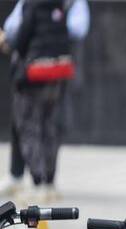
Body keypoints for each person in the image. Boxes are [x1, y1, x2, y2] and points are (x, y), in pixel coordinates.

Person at [0, 0, 89, 201]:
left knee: (29, 127)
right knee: (49, 127)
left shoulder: (32, 5)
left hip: (33, 74)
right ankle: (48, 182)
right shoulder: (62, 5)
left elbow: (20, 40)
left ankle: (38, 181)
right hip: (57, 73)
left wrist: (7, 42)